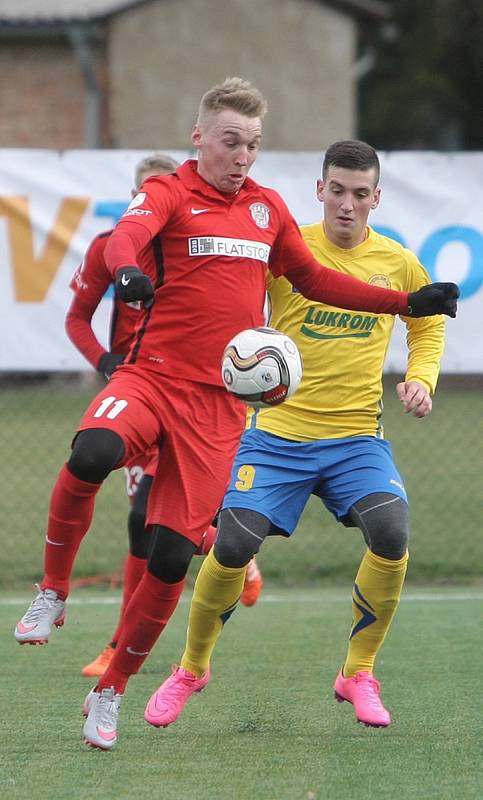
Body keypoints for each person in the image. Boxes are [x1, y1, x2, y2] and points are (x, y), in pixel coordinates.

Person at [14, 78, 457, 752]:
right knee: (93, 452)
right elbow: (124, 235)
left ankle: (112, 691)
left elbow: (315, 279)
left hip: (220, 412)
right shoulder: (169, 192)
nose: (242, 155)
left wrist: (406, 305)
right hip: (152, 379)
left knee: (167, 556)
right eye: (230, 142)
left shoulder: (267, 211)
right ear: (199, 139)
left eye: (252, 144)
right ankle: (53, 591)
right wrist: (130, 270)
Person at [145, 139, 450, 732]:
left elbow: (426, 323)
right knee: (232, 545)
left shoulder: (398, 262)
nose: (346, 204)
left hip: (357, 438)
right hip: (275, 435)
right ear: (319, 190)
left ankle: (358, 673)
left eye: (360, 193)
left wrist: (422, 378)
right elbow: (230, 294)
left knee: (391, 532)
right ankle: (191, 669)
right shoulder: (289, 250)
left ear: (376, 198)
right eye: (336, 190)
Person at [64, 154, 263, 678]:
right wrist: (105, 362)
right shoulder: (112, 247)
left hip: (188, 397)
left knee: (147, 520)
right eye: (141, 196)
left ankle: (121, 644)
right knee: (139, 524)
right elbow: (77, 317)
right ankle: (230, 551)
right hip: (138, 393)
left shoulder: (198, 245)